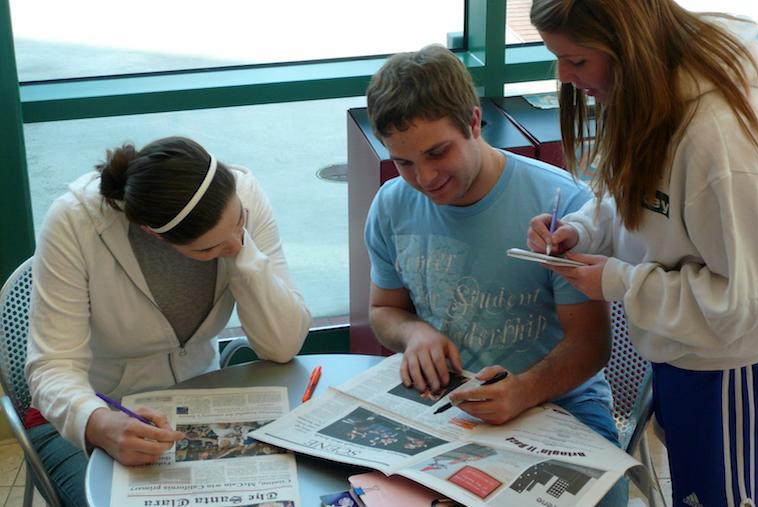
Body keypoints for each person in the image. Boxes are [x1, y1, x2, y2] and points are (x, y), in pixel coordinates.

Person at [364, 45, 626, 505]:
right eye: (404, 162)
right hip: (448, 403)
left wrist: (524, 390)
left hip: (559, 402)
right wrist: (414, 333)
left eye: (437, 153)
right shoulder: (391, 204)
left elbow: (590, 344)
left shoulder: (559, 204)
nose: (424, 177)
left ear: (473, 121)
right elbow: (384, 310)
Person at [526, 1, 758, 505]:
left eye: (578, 61)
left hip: (731, 366)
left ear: (627, 45)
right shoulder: (649, 89)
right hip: (685, 351)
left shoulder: (716, 140)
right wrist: (582, 231)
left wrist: (621, 282)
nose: (565, 78)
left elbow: (743, 303)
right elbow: (636, 195)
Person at [25, 136, 312, 506]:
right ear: (153, 234)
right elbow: (52, 367)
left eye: (239, 220)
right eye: (207, 250)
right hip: (96, 411)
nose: (233, 243)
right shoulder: (74, 222)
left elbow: (283, 344)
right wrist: (99, 424)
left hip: (202, 401)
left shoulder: (247, 195)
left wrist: (245, 258)